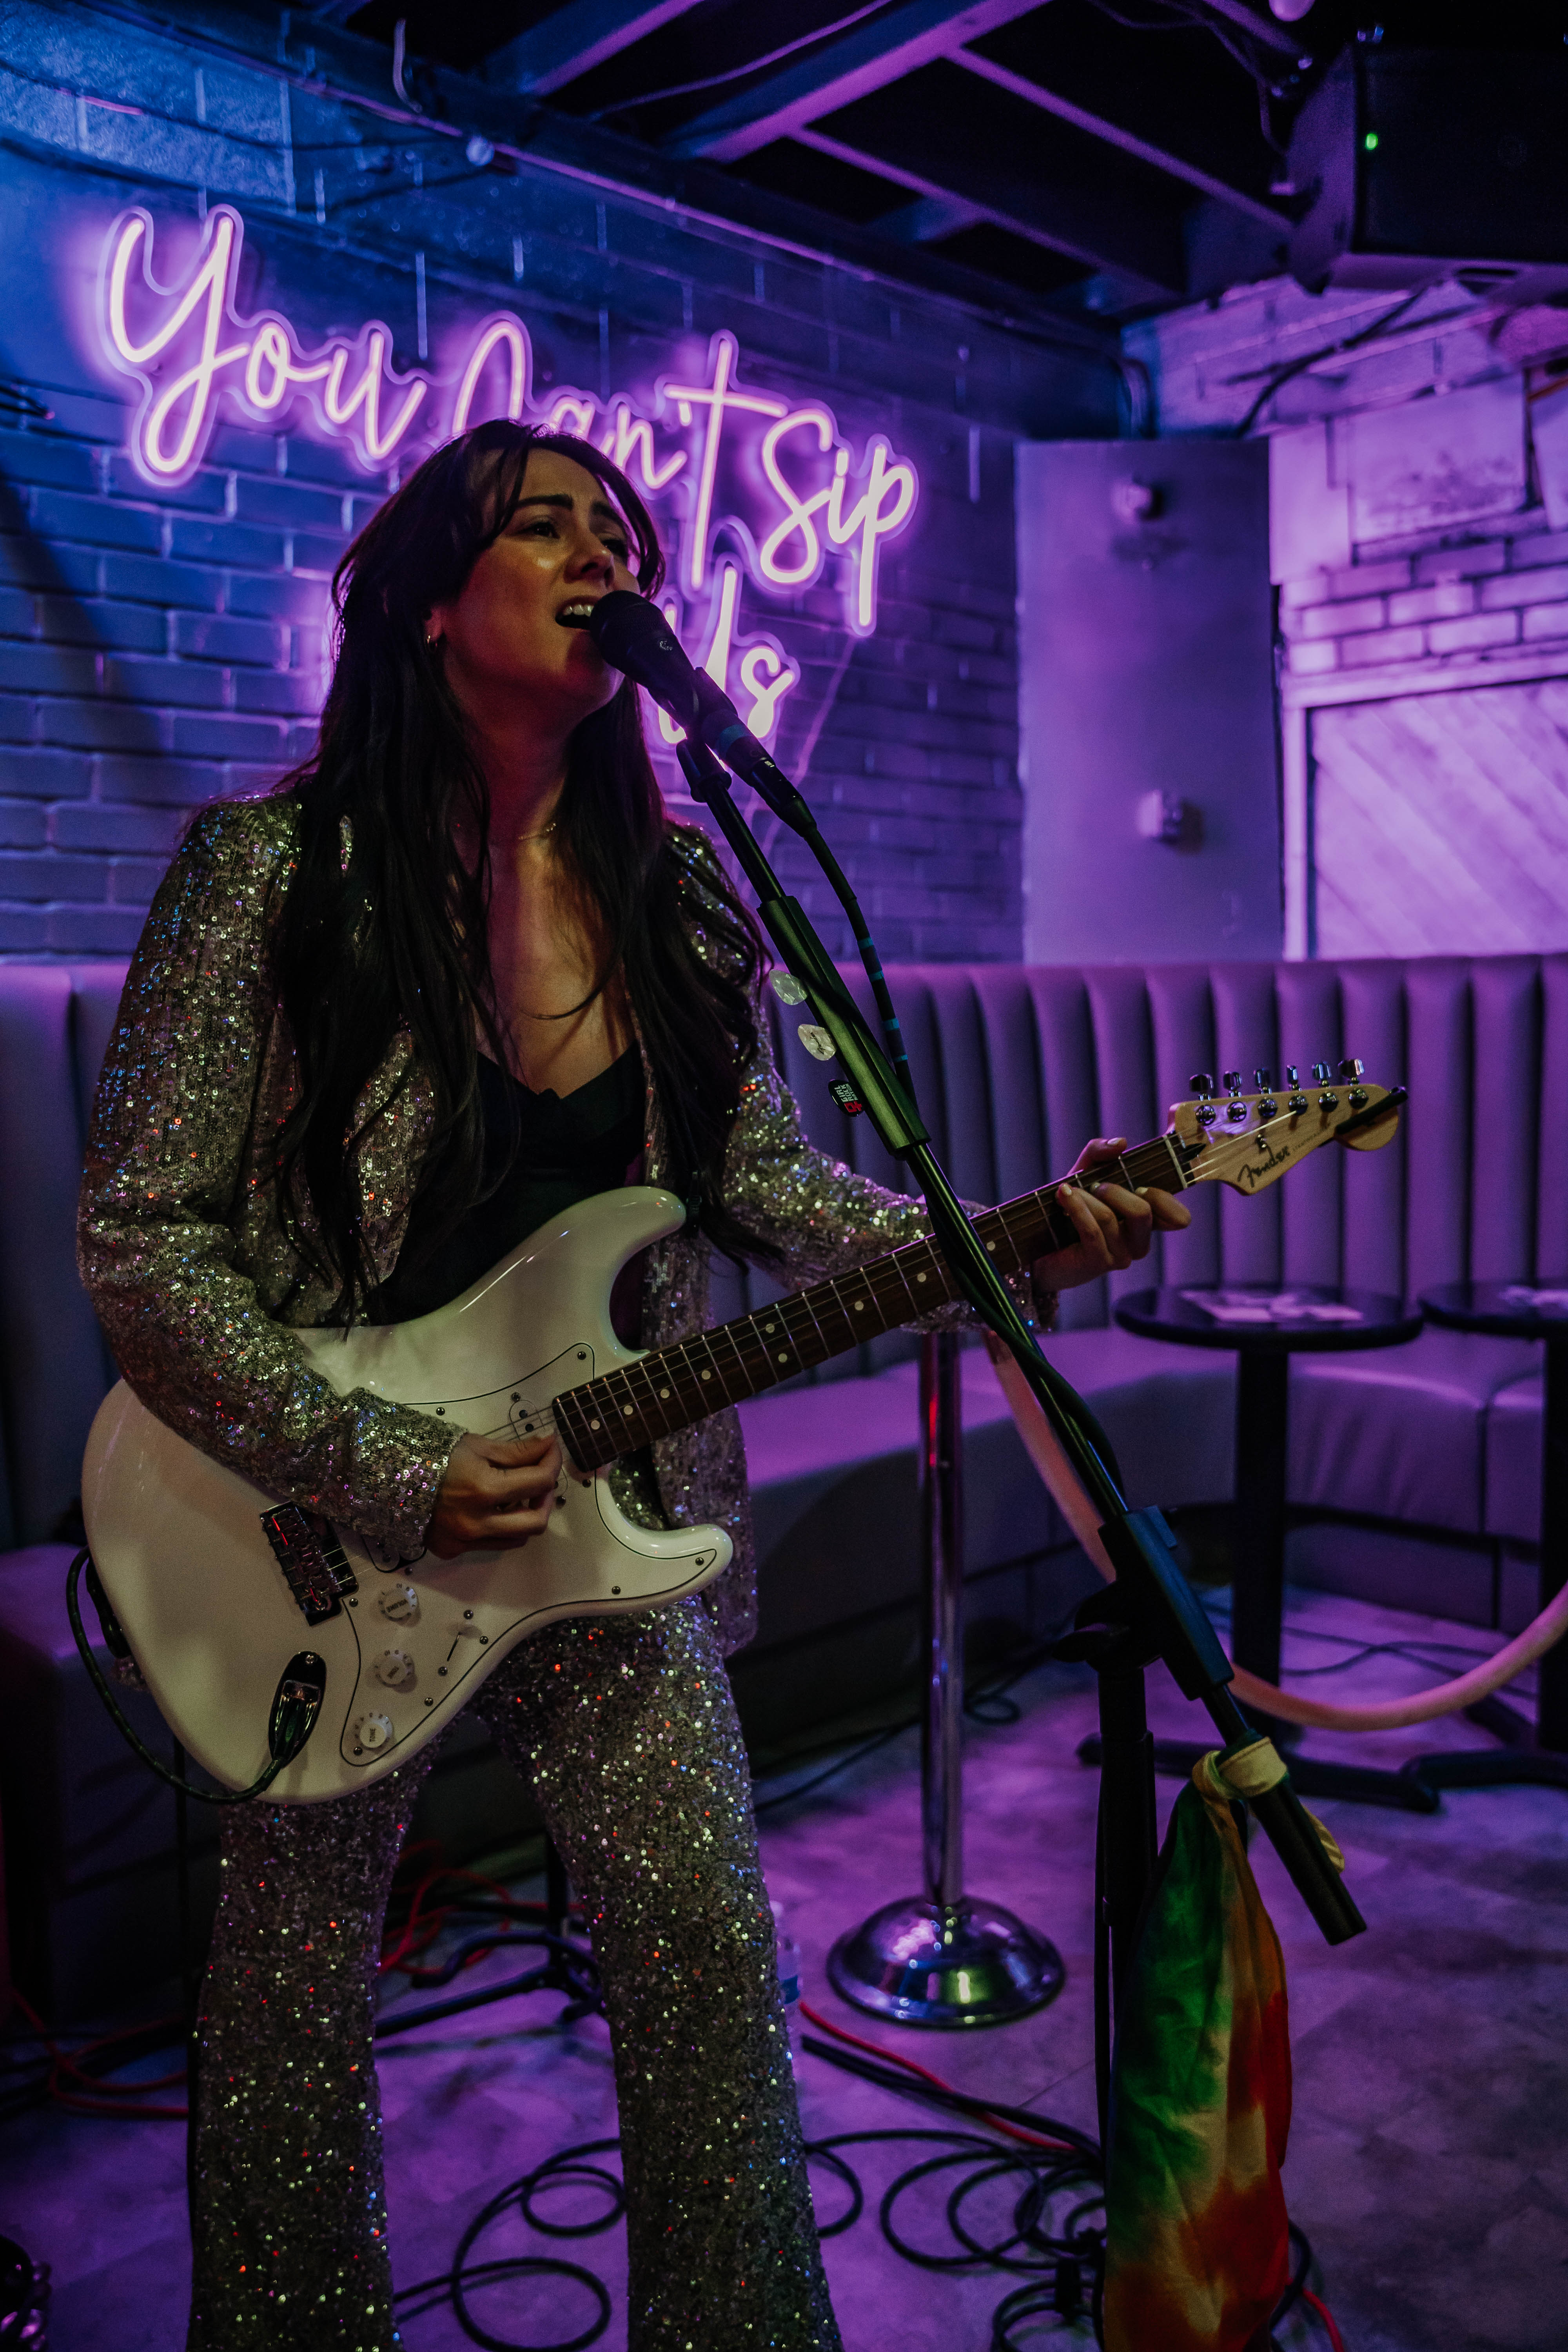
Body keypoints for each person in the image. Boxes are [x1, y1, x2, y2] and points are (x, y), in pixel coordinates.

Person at [78, 421, 1189, 2350]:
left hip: (611, 1509)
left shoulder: (675, 893)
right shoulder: (269, 873)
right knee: (290, 2006)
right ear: (431, 601)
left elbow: (767, 1188)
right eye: (548, 527)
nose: (607, 556)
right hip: (315, 1527)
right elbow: (141, 1238)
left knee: (705, 1959)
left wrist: (1014, 1243)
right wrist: (374, 1462)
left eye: (626, 534)